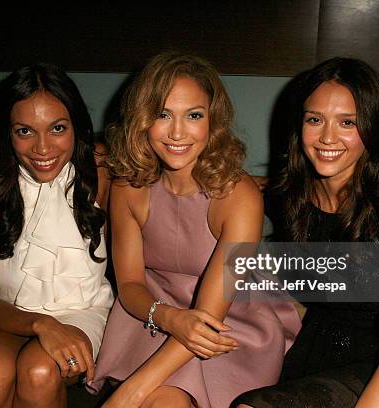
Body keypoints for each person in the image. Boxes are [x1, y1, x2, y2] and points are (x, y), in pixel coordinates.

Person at [232, 57, 379, 407]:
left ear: (371, 129)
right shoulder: (289, 198)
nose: (328, 137)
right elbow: (231, 186)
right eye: (315, 120)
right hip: (322, 353)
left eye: (348, 122)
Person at [87, 51, 301, 408]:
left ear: (213, 121)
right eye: (163, 114)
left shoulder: (239, 196)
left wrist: (127, 393)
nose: (177, 132)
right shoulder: (128, 187)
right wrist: (169, 316)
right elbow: (129, 286)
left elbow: (208, 319)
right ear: (142, 119)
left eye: (194, 116)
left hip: (228, 321)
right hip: (152, 312)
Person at [0, 63, 114, 407]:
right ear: (7, 133)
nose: (43, 148)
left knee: (39, 370)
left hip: (84, 312)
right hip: (8, 314)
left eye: (57, 128)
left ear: (77, 126)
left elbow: (170, 189)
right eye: (25, 131)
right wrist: (41, 324)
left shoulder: (101, 170)